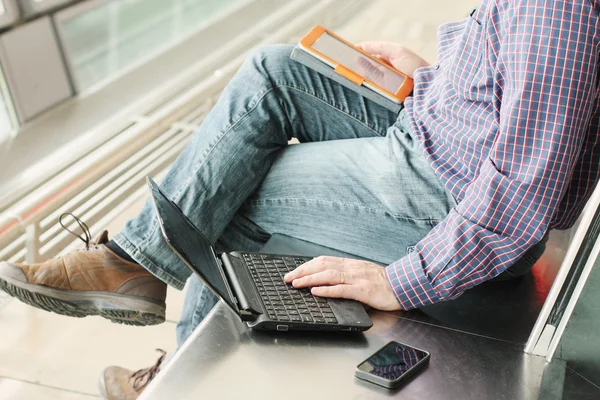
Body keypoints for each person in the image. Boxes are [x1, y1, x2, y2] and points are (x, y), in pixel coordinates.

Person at [1, 0, 599, 398]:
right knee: (274, 71)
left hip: (444, 192)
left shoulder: (556, 9)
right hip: (439, 135)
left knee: (236, 189)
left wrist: (403, 282)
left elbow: (524, 190)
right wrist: (434, 78)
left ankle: (179, 380)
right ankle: (134, 264)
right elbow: (515, 90)